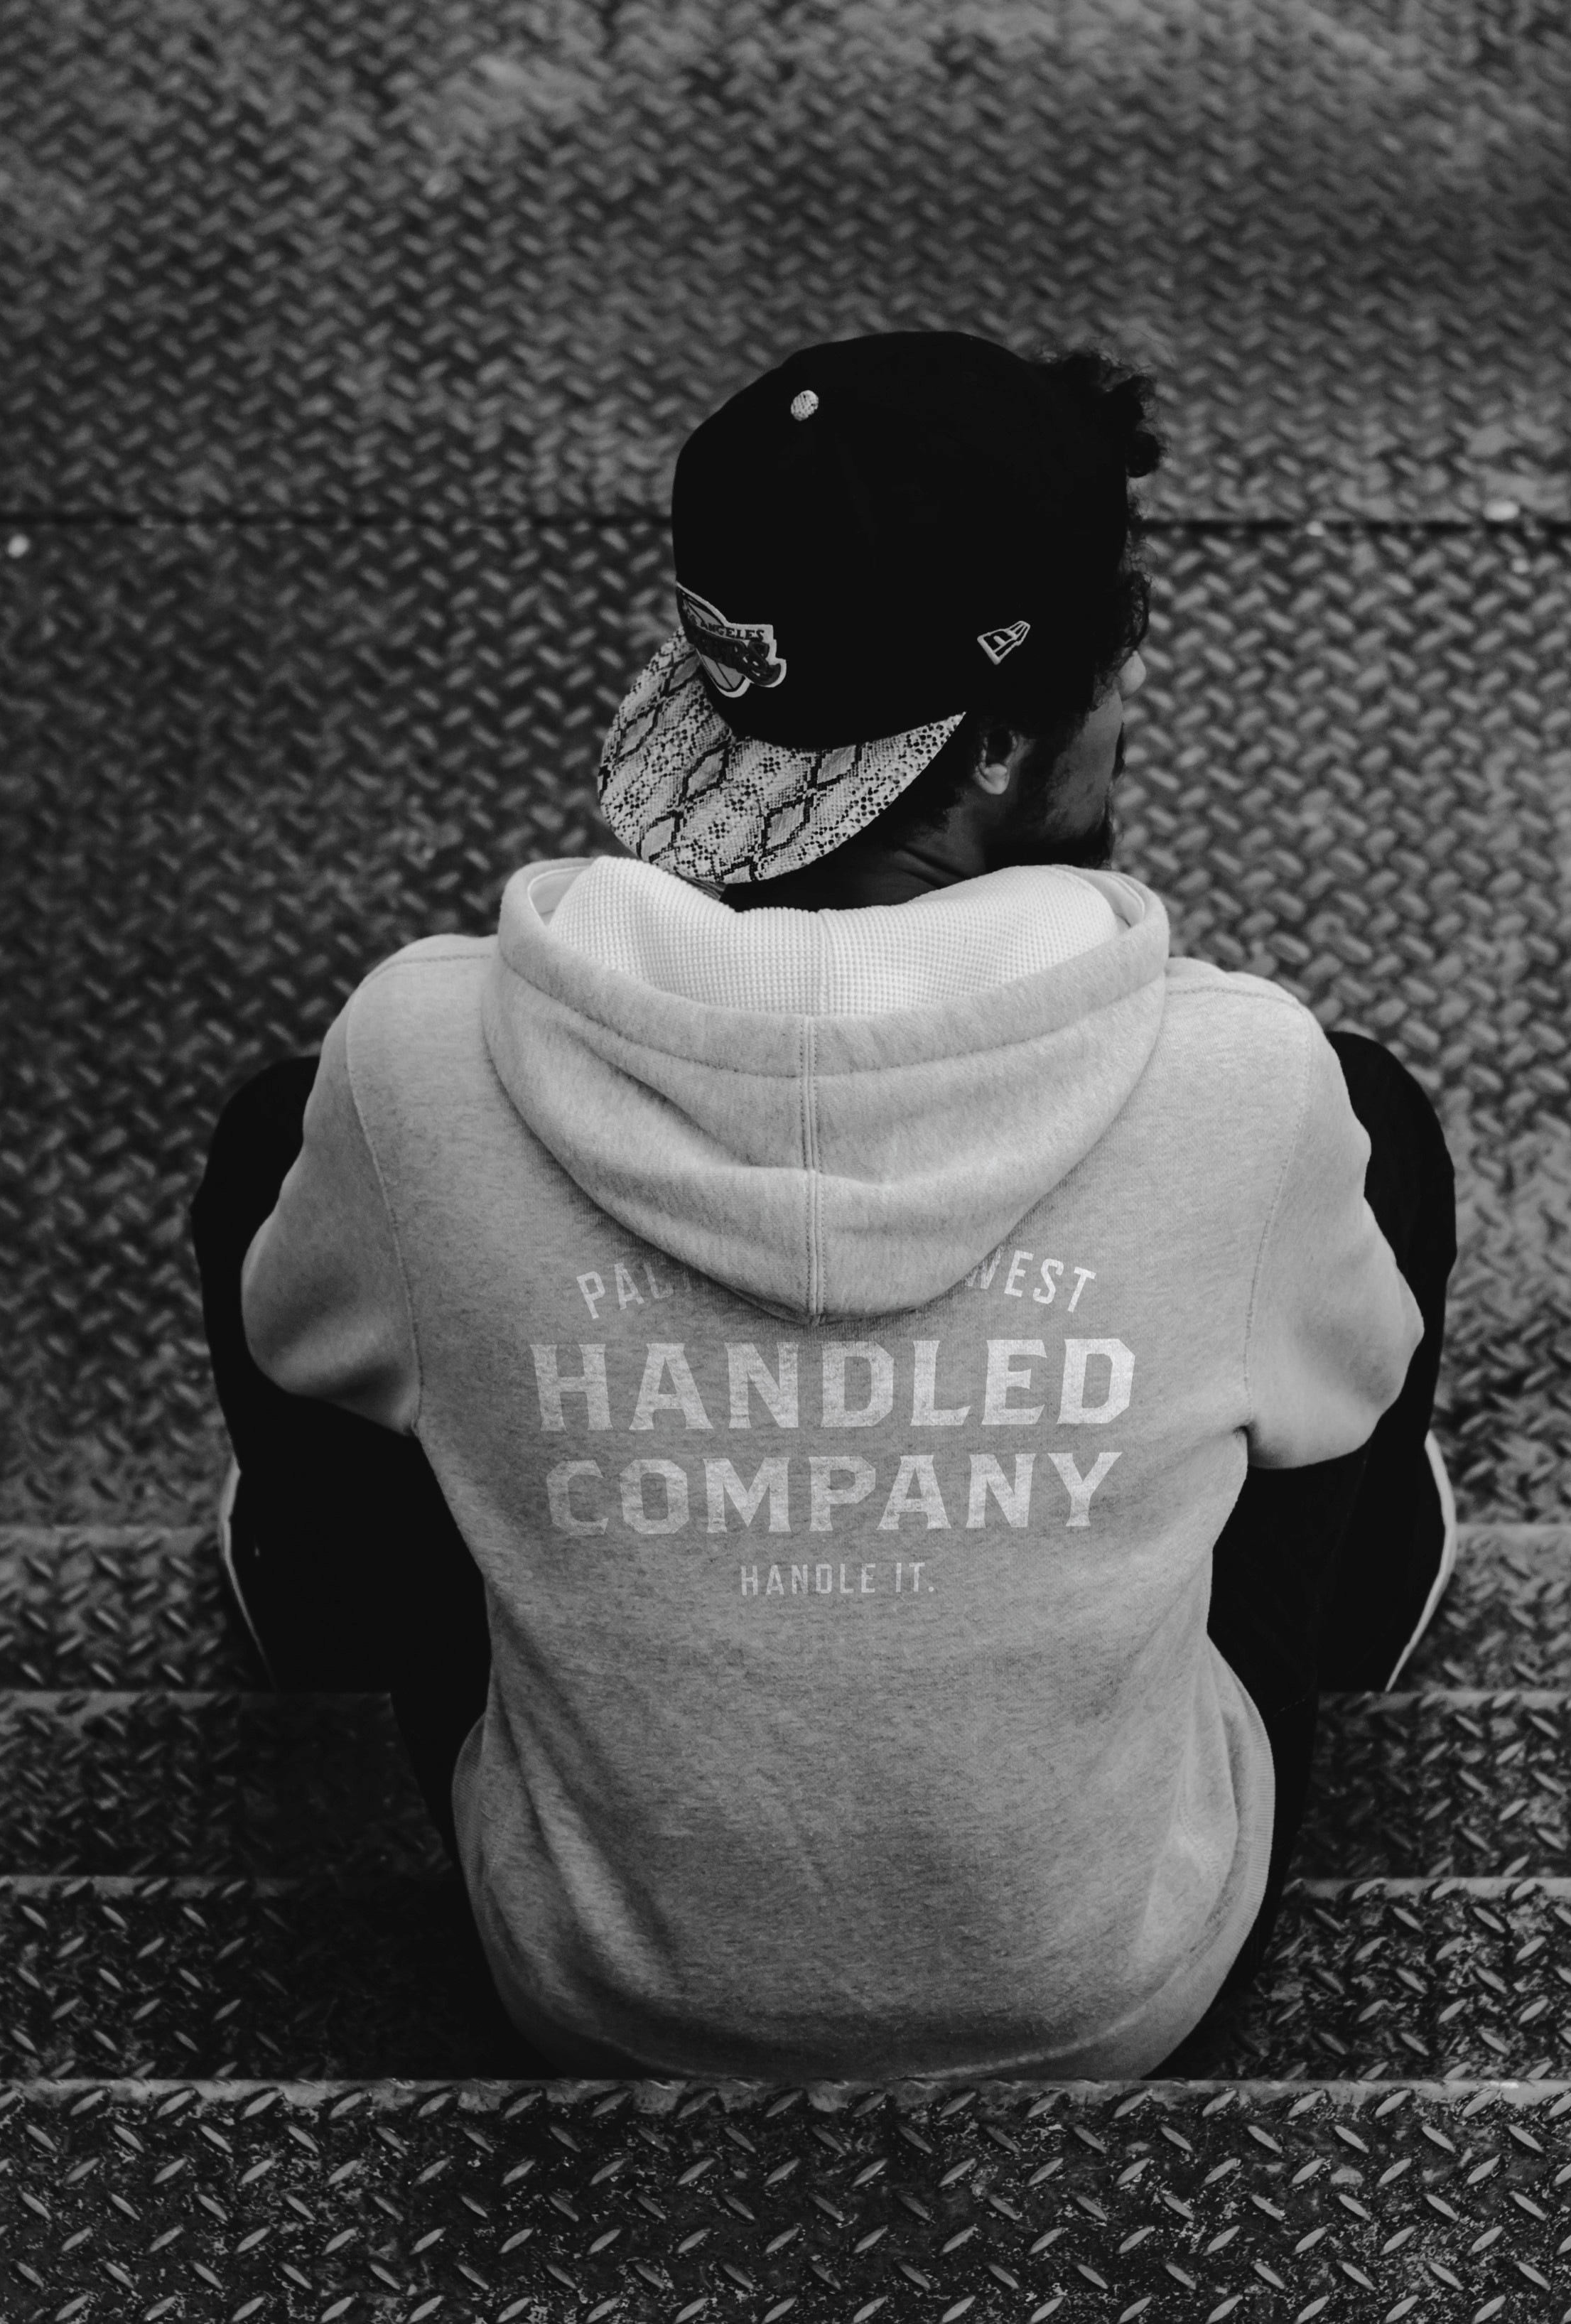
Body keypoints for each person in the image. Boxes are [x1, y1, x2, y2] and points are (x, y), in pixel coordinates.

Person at [192, 331, 1456, 2080]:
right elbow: (1342, 1392)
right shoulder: (1243, 1088)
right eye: (1123, 658)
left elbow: (300, 1339)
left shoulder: (414, 1060)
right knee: (1377, 1138)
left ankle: (309, 1597)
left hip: (588, 1979)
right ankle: (1373, 1596)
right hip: (1104, 1985)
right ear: (1010, 735)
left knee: (286, 1151)